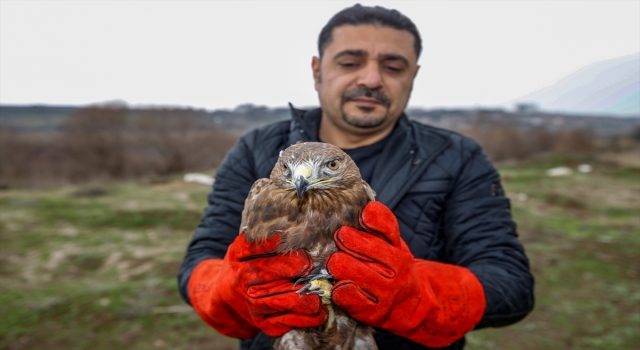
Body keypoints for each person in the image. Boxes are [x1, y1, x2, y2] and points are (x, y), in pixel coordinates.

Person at [178, 4, 534, 350]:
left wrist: (417, 292)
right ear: (317, 70)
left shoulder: (458, 156)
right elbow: (198, 263)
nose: (371, 79)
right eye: (350, 63)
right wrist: (231, 289)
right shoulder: (256, 148)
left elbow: (511, 285)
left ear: (413, 77)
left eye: (393, 67)